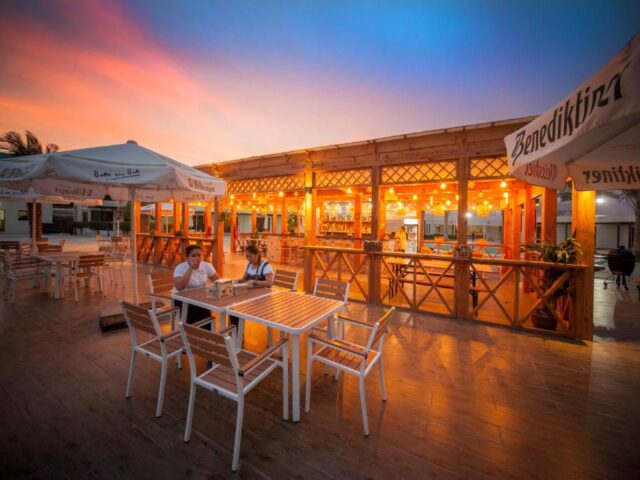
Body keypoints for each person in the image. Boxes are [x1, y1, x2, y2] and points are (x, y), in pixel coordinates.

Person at [229, 244, 274, 328]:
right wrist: (237, 281)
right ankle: (235, 332)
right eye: (246, 256)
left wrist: (254, 281)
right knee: (232, 306)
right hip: (250, 295)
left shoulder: (265, 266)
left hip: (262, 298)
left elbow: (269, 283)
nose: (248, 259)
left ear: (257, 254)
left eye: (250, 256)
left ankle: (236, 331)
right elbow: (244, 279)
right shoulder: (249, 264)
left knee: (237, 308)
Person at [173, 244, 219, 326]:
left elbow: (218, 280)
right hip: (182, 298)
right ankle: (189, 331)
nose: (197, 258)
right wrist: (191, 268)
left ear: (202, 256)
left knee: (206, 320)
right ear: (187, 257)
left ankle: (205, 332)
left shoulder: (206, 265)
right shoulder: (180, 268)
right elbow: (179, 287)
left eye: (199, 255)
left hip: (200, 297)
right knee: (193, 318)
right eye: (193, 256)